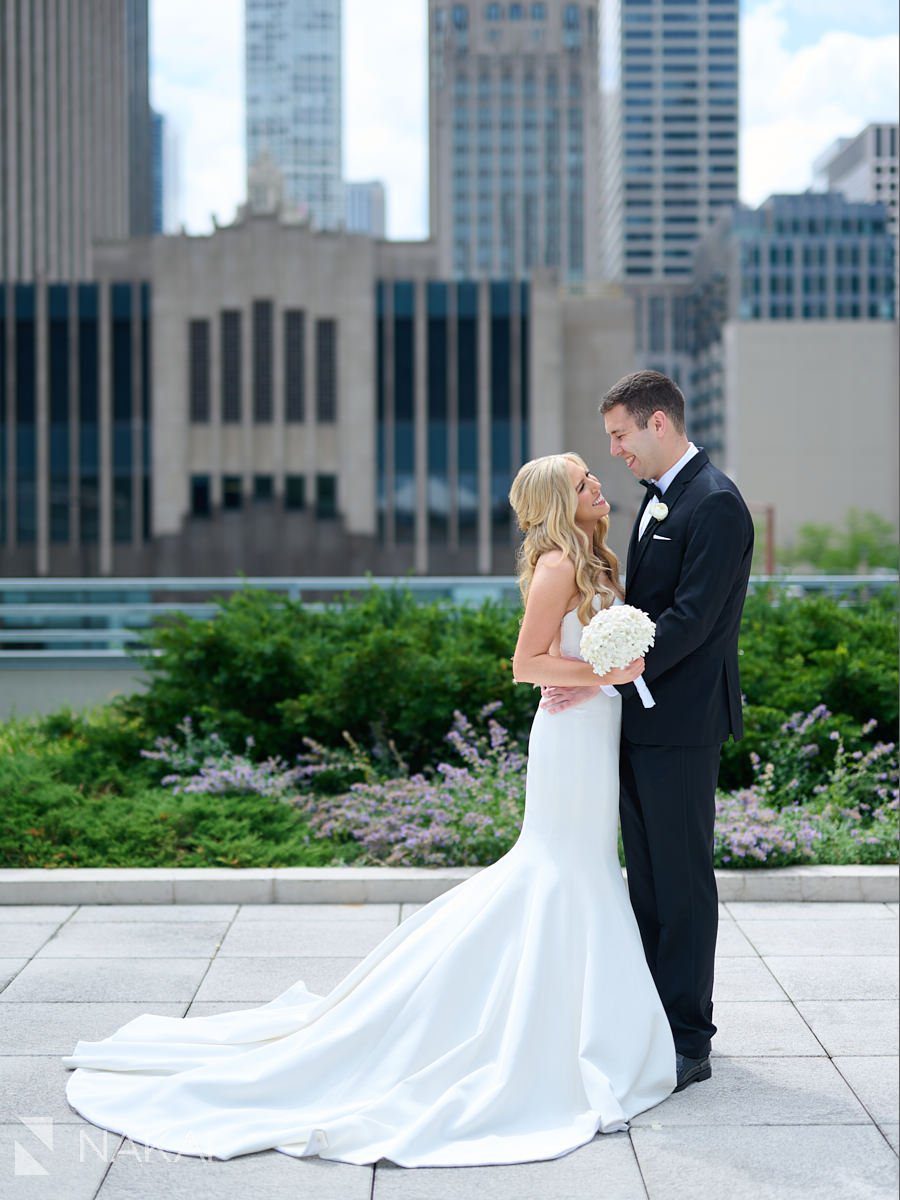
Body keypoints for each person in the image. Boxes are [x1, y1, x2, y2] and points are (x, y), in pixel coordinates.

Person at [60, 451, 676, 1169]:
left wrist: (609, 669)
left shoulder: (596, 561)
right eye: (581, 481)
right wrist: (603, 670)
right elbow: (525, 663)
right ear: (559, 503)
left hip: (596, 734)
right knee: (559, 871)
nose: (597, 483)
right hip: (569, 741)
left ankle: (581, 1020)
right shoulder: (556, 569)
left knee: (586, 868)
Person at [541, 371, 754, 1093]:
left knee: (683, 883)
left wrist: (600, 672)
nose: (616, 451)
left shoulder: (716, 503)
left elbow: (691, 619)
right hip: (636, 718)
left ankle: (690, 1039)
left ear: (658, 422)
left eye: (621, 435)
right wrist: (585, 670)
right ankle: (654, 1020)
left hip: (684, 724)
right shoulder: (655, 500)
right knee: (650, 885)